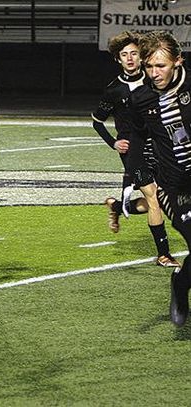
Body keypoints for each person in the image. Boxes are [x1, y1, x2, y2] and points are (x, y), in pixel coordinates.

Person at [92, 31, 179, 268]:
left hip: (159, 145)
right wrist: (113, 143)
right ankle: (163, 255)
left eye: (134, 53)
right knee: (153, 197)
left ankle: (118, 206)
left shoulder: (155, 80)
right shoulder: (114, 90)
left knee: (160, 198)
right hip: (133, 150)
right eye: (124, 55)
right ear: (117, 60)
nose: (130, 58)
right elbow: (97, 121)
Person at [125, 30, 191, 326]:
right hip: (173, 186)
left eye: (160, 66)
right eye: (149, 66)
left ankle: (181, 279)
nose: (154, 73)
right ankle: (180, 286)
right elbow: (137, 138)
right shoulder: (141, 99)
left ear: (178, 61)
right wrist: (134, 178)